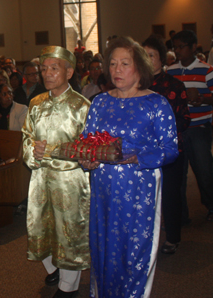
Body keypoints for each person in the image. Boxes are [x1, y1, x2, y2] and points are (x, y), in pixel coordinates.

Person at [80, 37, 178, 298]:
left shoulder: (156, 104)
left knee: (134, 249)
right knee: (104, 247)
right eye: (112, 64)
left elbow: (170, 149)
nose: (117, 69)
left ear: (140, 68)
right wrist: (87, 160)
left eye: (125, 63)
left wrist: (139, 158)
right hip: (103, 188)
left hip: (139, 187)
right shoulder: (100, 102)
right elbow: (88, 143)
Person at [23, 46, 90, 298]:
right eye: (44, 69)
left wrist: (49, 150)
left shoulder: (81, 105)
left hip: (69, 180)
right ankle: (54, 268)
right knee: (40, 226)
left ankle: (68, 286)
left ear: (69, 72)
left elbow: (87, 148)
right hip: (40, 178)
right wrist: (32, 152)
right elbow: (27, 137)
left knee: (68, 230)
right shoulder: (36, 103)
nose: (47, 73)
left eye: (54, 68)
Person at [143, 36, 190, 254]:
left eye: (150, 55)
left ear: (162, 59)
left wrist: (160, 132)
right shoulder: (136, 87)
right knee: (144, 197)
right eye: (143, 55)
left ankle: (172, 237)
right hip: (142, 152)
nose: (146, 59)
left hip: (169, 151)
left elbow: (184, 119)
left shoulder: (174, 85)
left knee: (170, 194)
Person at [167, 30, 213, 222]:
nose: (178, 51)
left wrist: (202, 99)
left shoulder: (207, 71)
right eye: (175, 47)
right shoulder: (171, 71)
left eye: (181, 47)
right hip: (178, 129)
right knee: (179, 174)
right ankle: (181, 213)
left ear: (193, 47)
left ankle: (212, 206)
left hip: (199, 127)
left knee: (204, 170)